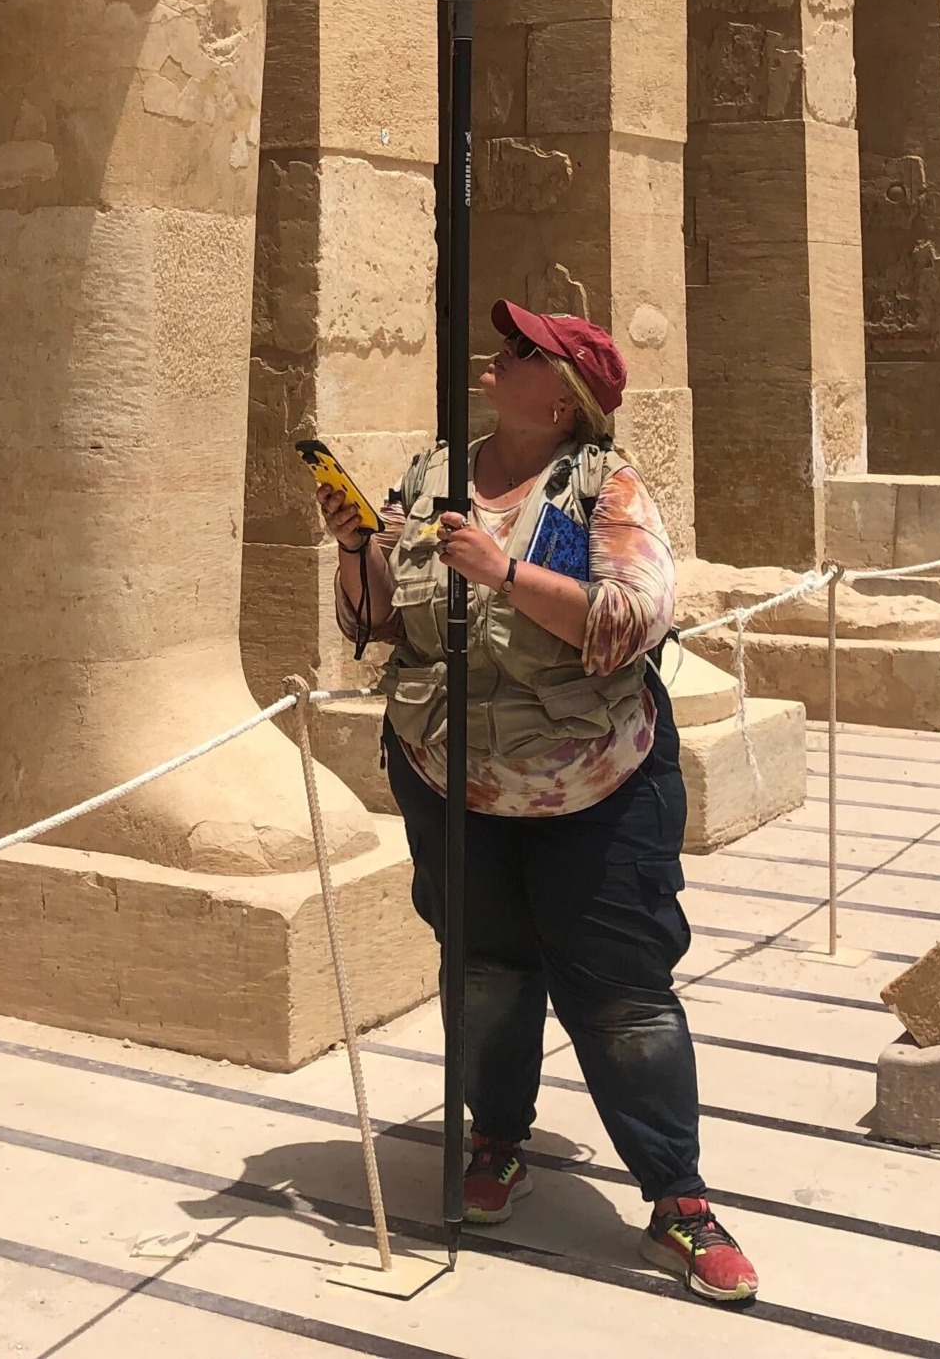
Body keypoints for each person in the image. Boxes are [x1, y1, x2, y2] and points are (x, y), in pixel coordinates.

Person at [318, 300, 760, 1306]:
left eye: (522, 352)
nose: (497, 356)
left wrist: (507, 571)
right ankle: (497, 1140)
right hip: (450, 780)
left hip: (592, 785)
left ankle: (677, 1198)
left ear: (561, 402)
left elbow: (637, 616)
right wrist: (356, 547)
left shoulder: (607, 487)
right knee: (483, 974)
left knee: (622, 996)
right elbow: (380, 622)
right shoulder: (435, 474)